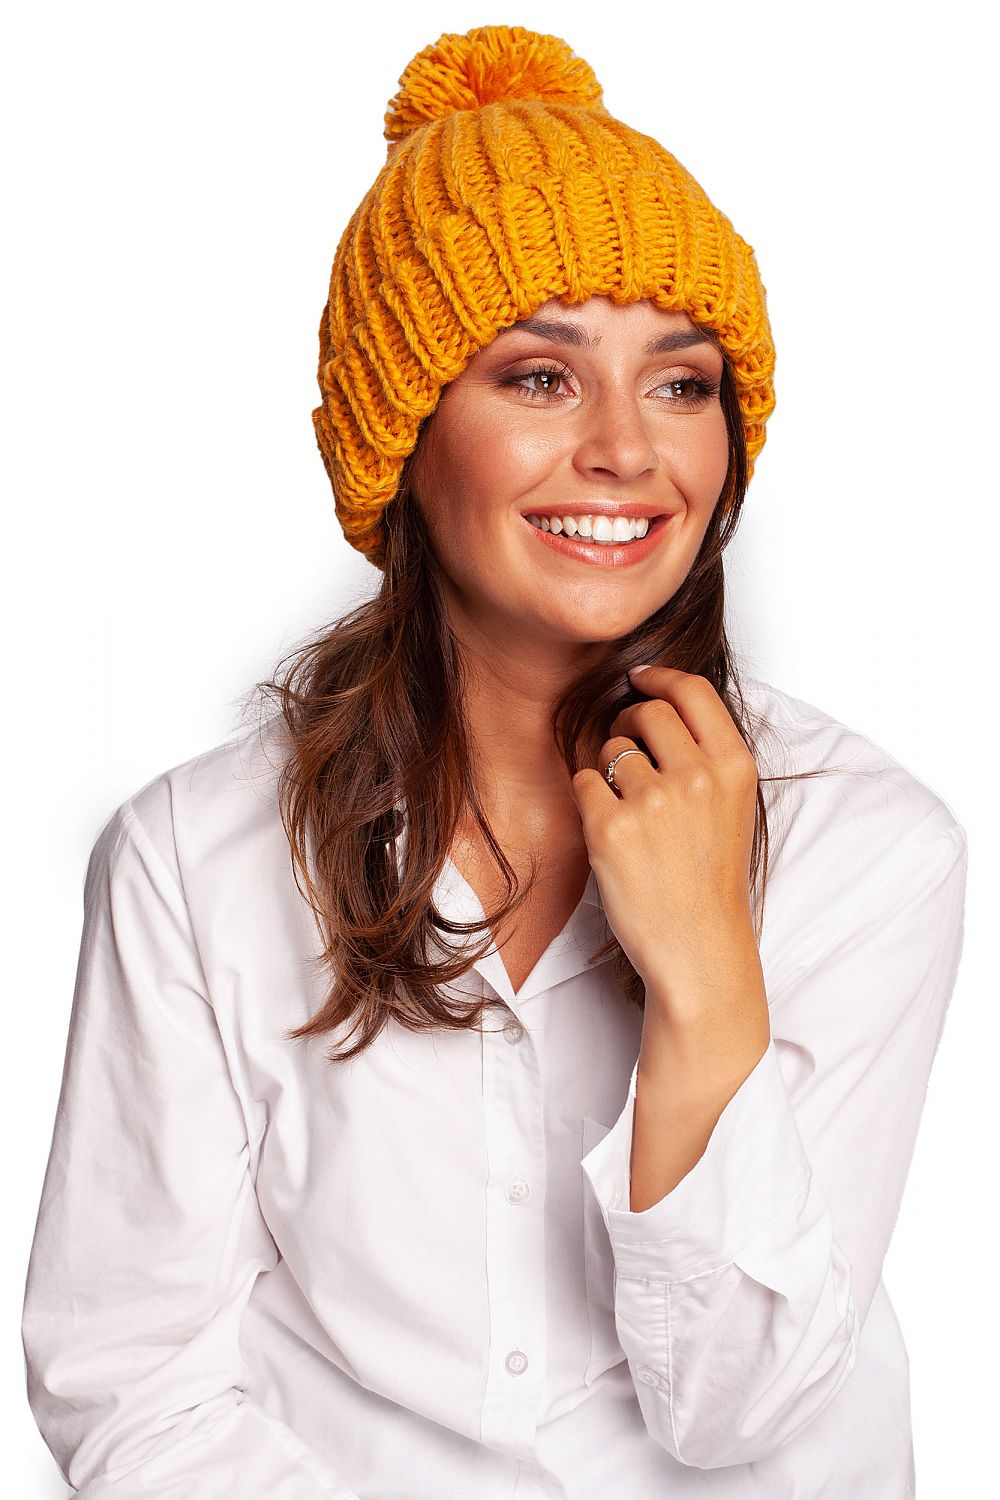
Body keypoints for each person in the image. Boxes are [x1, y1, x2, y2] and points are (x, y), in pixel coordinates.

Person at [22, 23, 968, 1500]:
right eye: (539, 378)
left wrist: (707, 978)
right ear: (402, 439)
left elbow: (744, 1410)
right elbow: (131, 1379)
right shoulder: (194, 864)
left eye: (682, 384)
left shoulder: (871, 847)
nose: (627, 451)